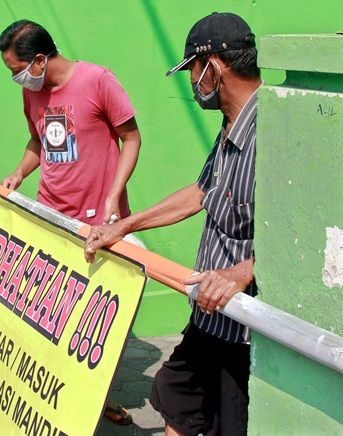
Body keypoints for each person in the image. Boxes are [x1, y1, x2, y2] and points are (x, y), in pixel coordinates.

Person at [85, 12, 260, 436]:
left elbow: (306, 227)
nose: (192, 83)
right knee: (176, 395)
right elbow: (200, 193)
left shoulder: (270, 129)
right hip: (209, 315)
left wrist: (244, 271)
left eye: (193, 71)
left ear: (213, 67)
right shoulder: (231, 125)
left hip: (243, 328)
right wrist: (124, 226)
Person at [0, 19, 142, 425]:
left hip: (98, 222)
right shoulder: (34, 93)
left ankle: (100, 399)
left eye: (17, 69)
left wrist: (114, 193)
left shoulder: (98, 81)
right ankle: (54, 399)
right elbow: (39, 141)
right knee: (48, 314)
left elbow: (131, 138)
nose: (17, 79)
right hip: (51, 218)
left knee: (98, 327)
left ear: (40, 59)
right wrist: (19, 173)